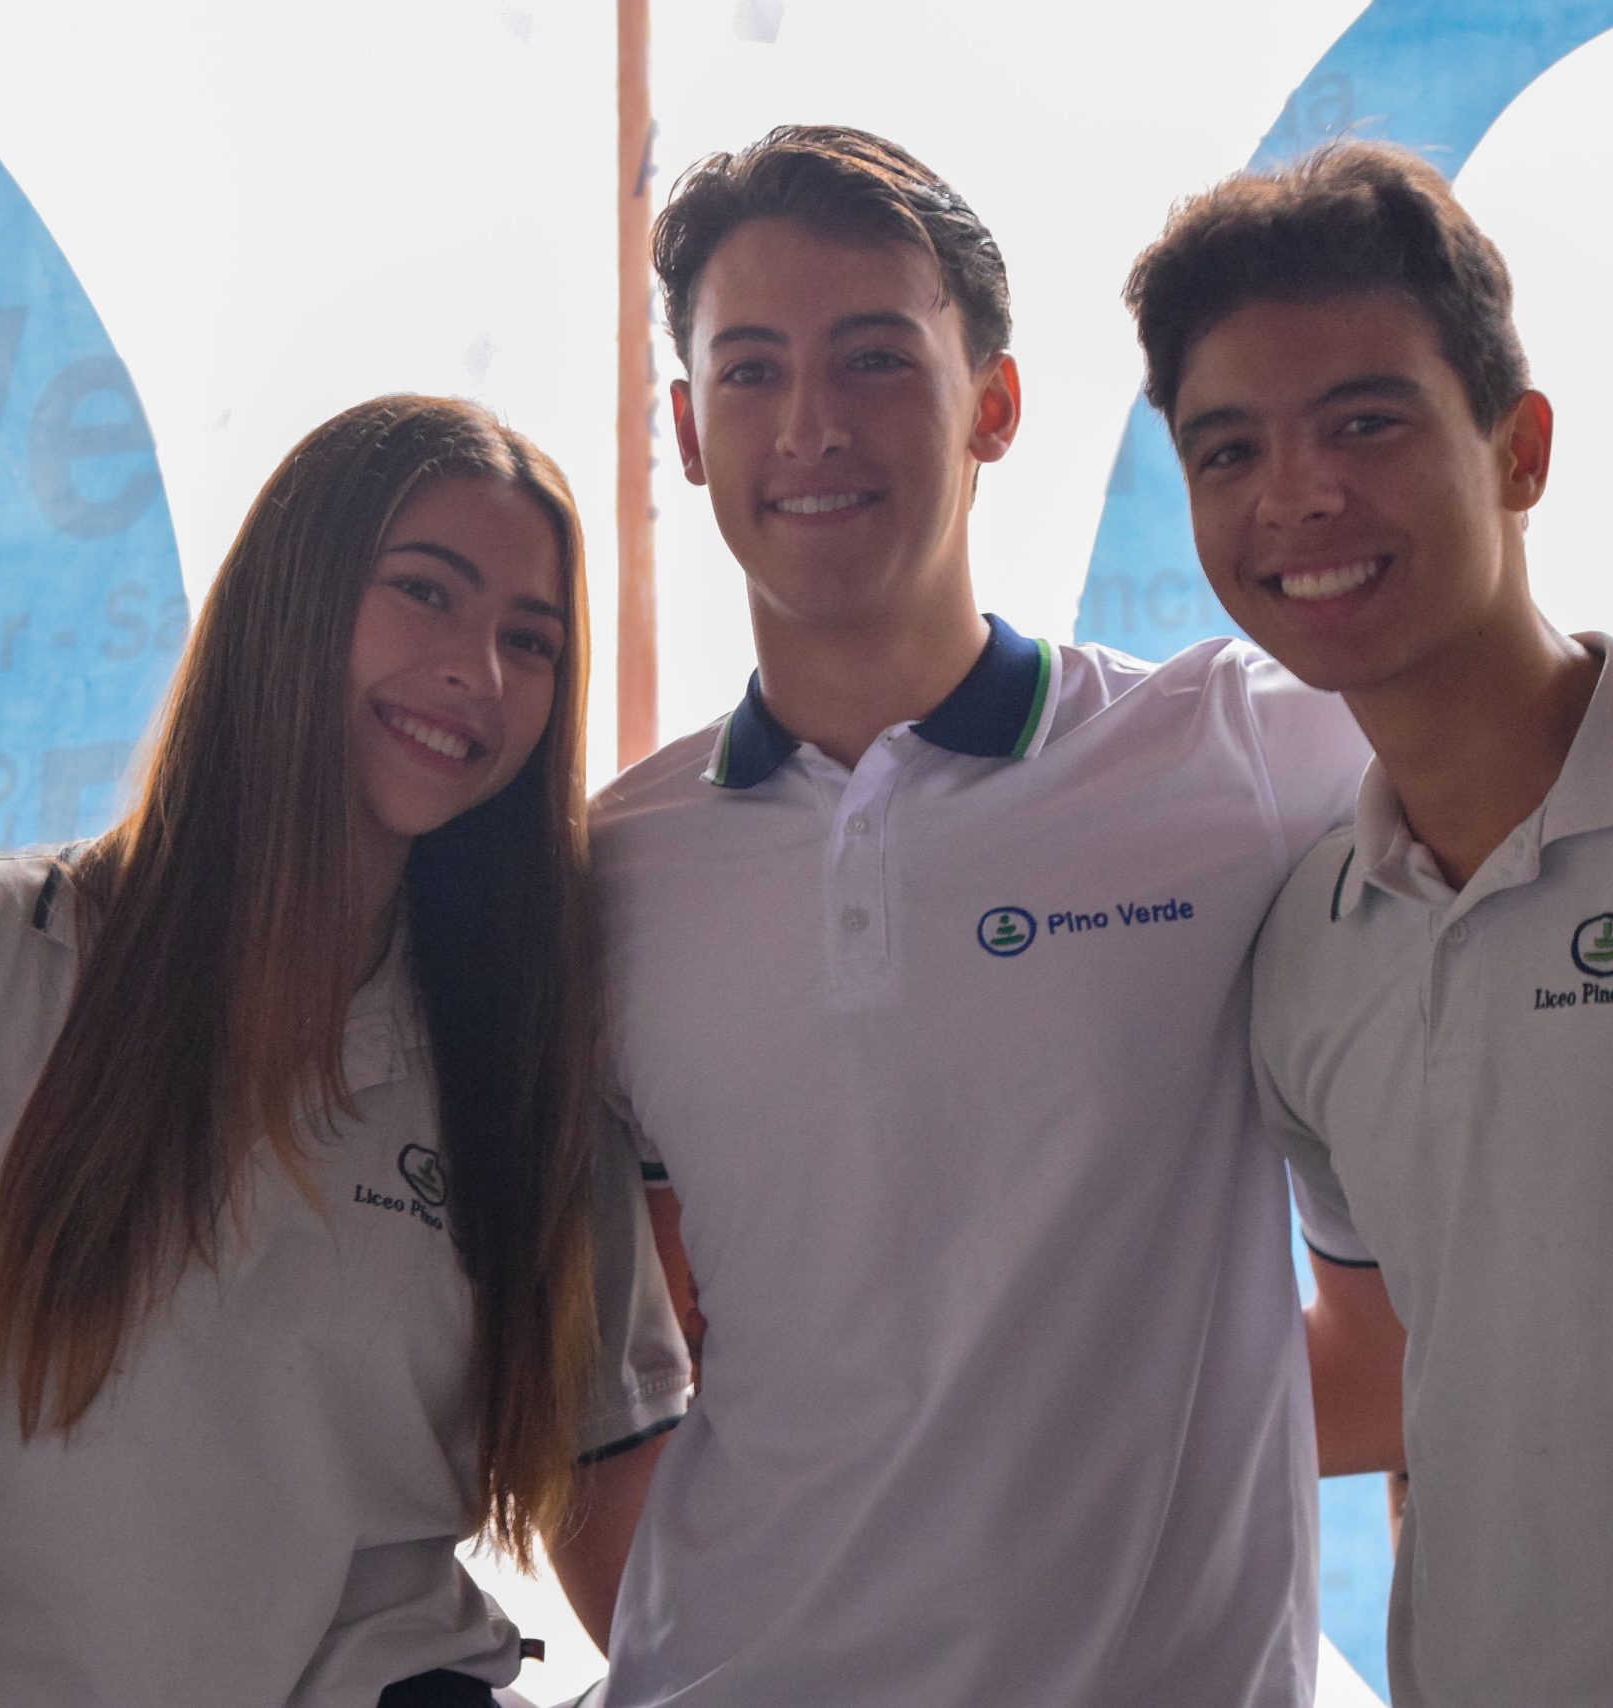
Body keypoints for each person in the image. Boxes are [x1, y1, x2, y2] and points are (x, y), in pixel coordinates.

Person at [554, 126, 1369, 1705]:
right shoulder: (607, 874)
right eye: (751, 371)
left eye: (874, 358)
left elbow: (1523, 726)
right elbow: (597, 1372)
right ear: (689, 431)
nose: (811, 424)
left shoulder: (1237, 755)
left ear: (993, 404)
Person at [0, 394, 690, 1708]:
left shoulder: (522, 1062)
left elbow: (627, 1515)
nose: (478, 670)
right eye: (426, 592)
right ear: (290, 596)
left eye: (529, 641)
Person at [1130, 140, 1613, 1707]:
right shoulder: (1310, 946)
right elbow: (1397, 1368)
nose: (1297, 496)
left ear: (1520, 449)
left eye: (1365, 423)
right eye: (1228, 450)